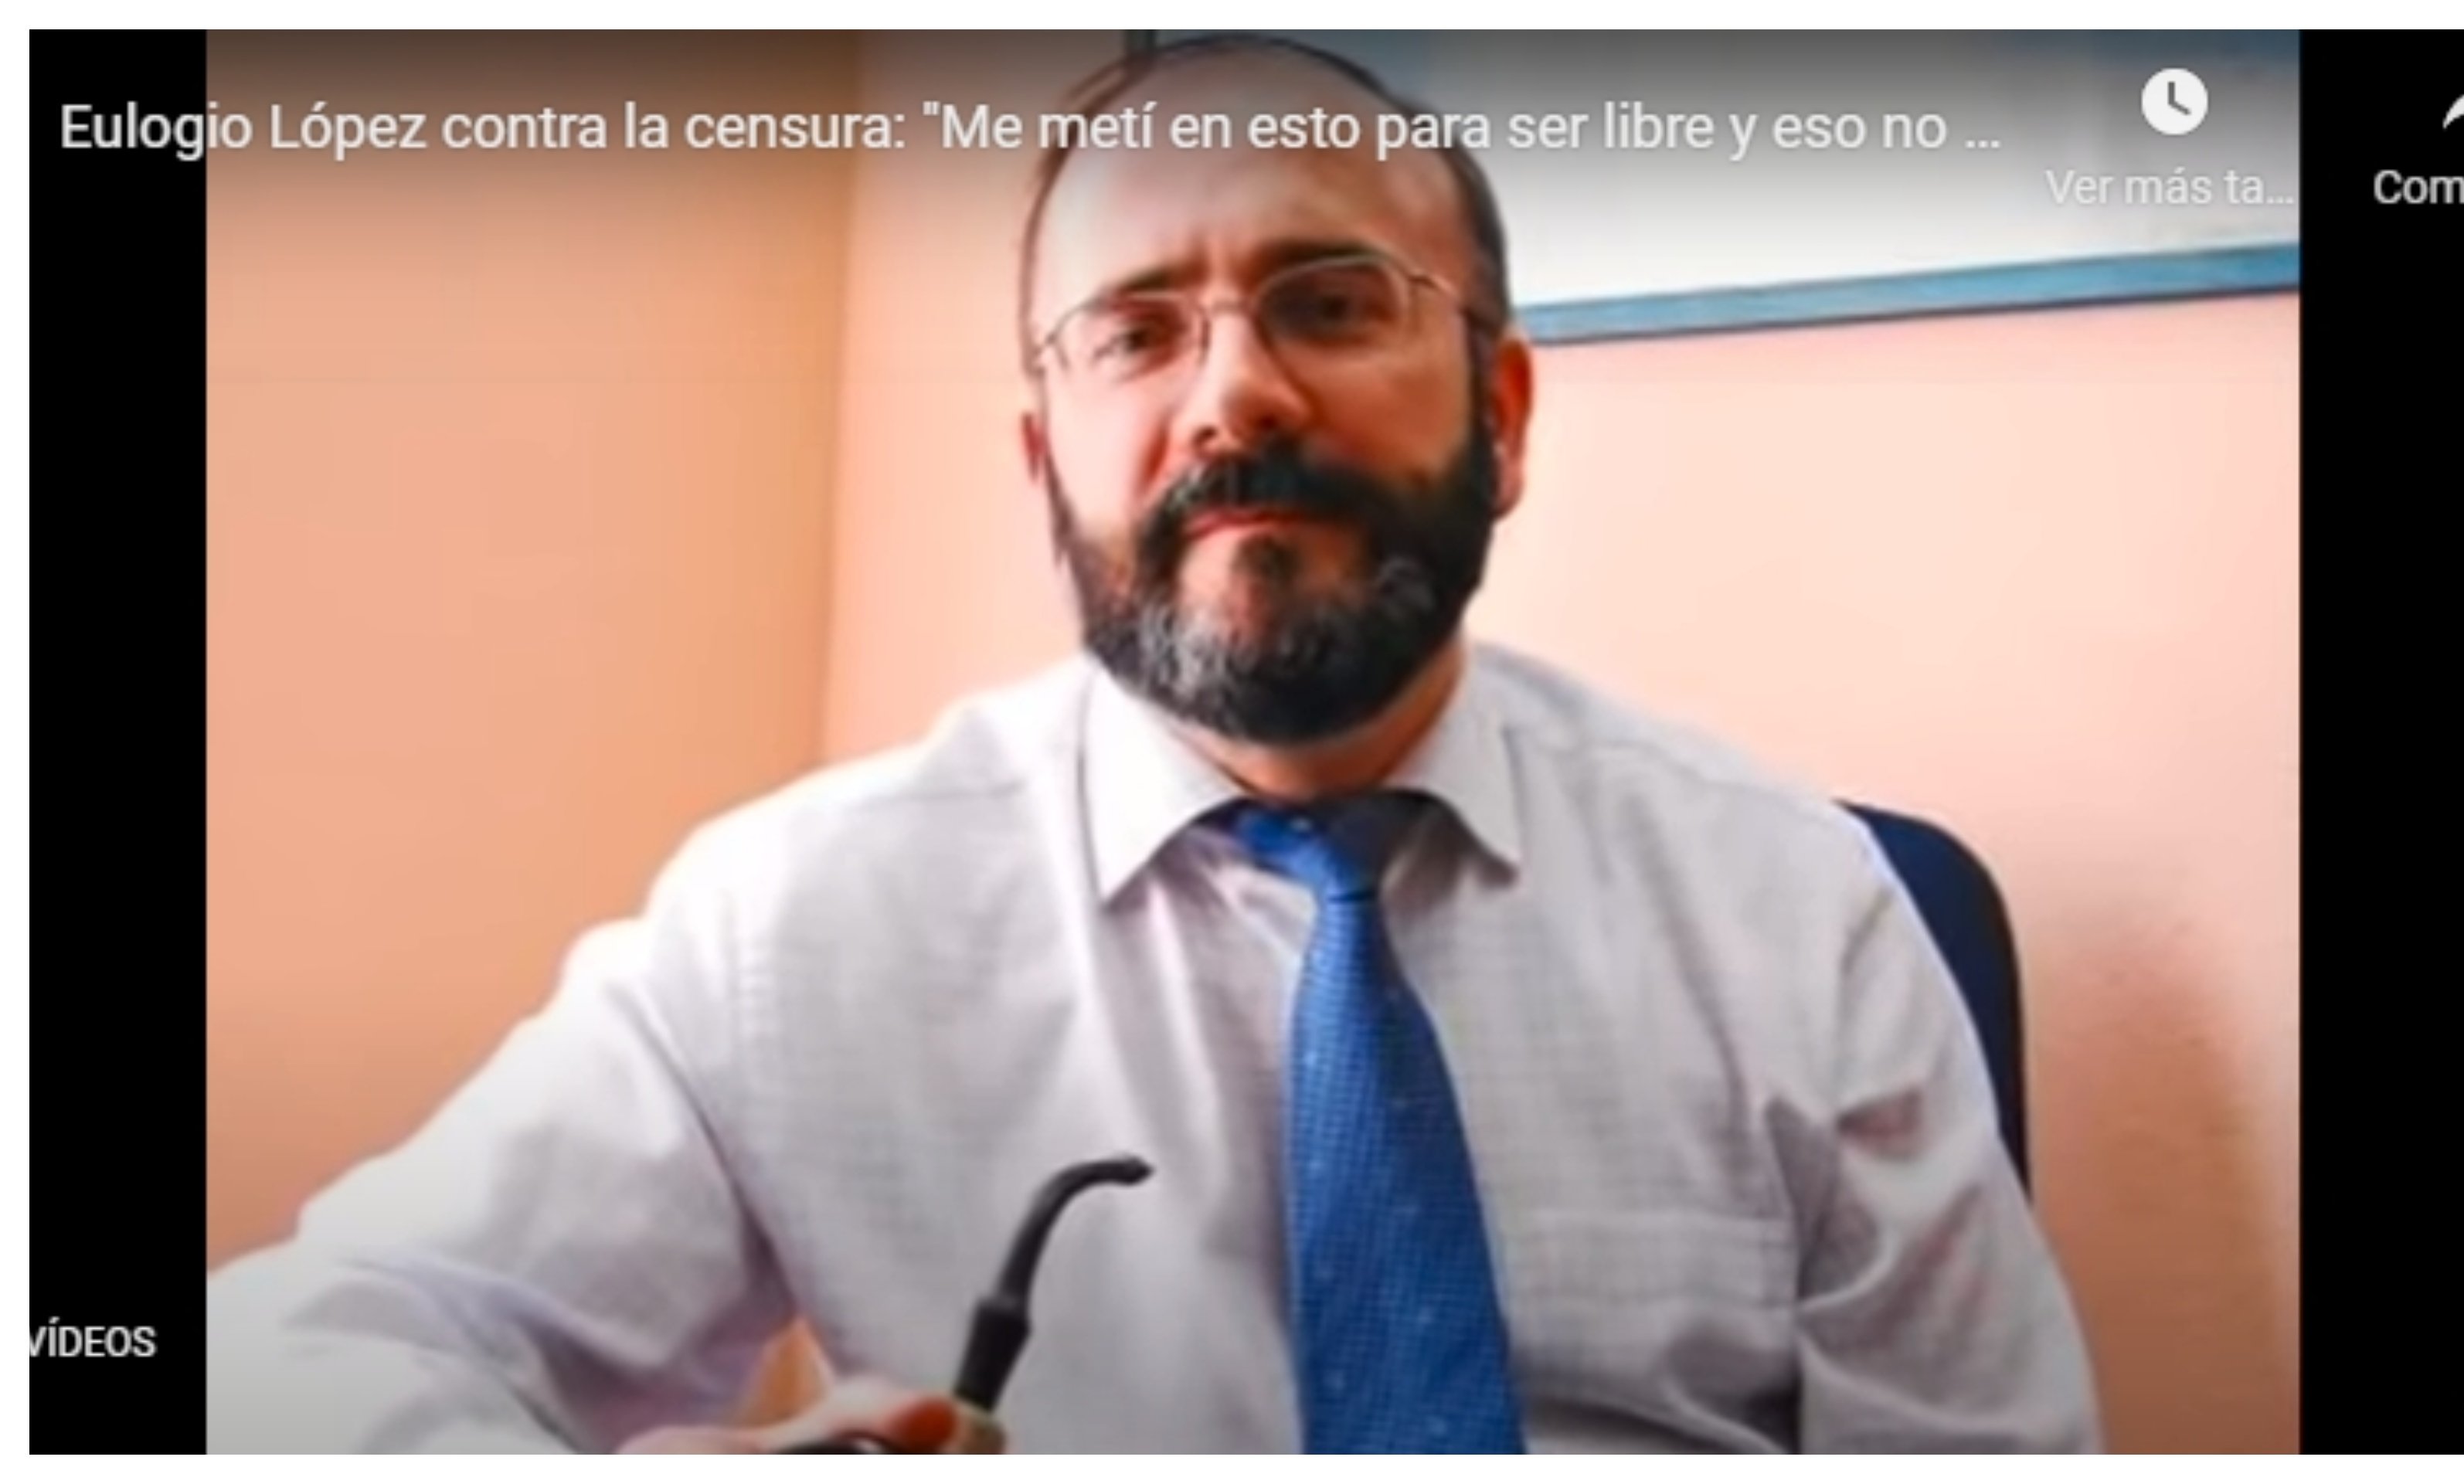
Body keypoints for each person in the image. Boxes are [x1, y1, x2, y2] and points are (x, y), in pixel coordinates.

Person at [206, 35, 2103, 1453]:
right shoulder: (794, 925)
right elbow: (276, 1366)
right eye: (1132, 333)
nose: (1235, 395)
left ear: (1505, 414)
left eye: (1330, 304)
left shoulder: (1796, 909)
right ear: (1046, 458)